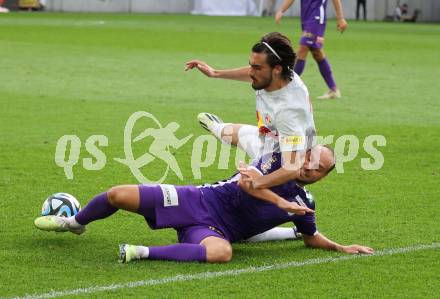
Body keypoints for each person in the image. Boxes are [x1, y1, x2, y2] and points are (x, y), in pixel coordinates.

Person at [34, 146, 373, 263]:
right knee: (116, 194)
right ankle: (76, 222)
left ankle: (141, 252)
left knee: (221, 253)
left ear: (324, 176)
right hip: (195, 200)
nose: (311, 169)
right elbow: (247, 184)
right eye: (312, 160)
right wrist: (283, 201)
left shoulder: (304, 203)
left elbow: (311, 237)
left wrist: (342, 247)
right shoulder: (276, 162)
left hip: (211, 229)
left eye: (320, 169)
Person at [186, 32, 316, 193]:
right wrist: (215, 73)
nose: (251, 72)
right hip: (268, 140)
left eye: (257, 68)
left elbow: (293, 167)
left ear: (276, 69)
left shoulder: (287, 111)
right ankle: (216, 127)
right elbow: (256, 70)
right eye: (251, 65)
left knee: (232, 191)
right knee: (224, 131)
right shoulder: (278, 75)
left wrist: (256, 183)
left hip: (282, 163)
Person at [275, 0, 348, 99]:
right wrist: (281, 11)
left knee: (302, 48)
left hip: (316, 18)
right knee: (317, 53)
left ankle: (286, 87)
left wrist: (341, 18)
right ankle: (333, 89)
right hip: (306, 18)